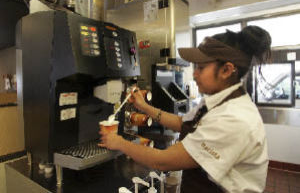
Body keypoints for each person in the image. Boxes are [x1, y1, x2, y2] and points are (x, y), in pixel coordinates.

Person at [99, 25, 271, 193]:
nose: (195, 74)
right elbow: (182, 123)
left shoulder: (234, 118)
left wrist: (119, 142)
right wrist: (144, 107)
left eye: (201, 68)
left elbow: (163, 161)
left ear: (226, 70)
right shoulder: (217, 100)